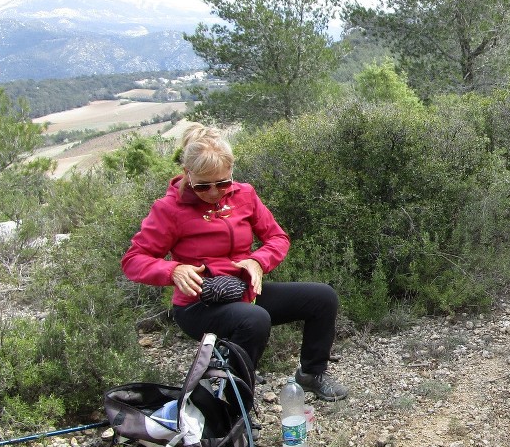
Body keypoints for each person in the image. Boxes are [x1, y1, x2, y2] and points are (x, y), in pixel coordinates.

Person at [121, 124, 348, 401]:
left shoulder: (244, 195)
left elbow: (277, 237)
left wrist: (257, 261)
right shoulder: (169, 209)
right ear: (187, 174)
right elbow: (133, 260)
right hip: (199, 306)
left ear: (231, 171)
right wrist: (173, 270)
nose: (215, 192)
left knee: (322, 297)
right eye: (203, 185)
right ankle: (235, 400)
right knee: (254, 319)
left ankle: (312, 374)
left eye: (223, 183)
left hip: (243, 294)